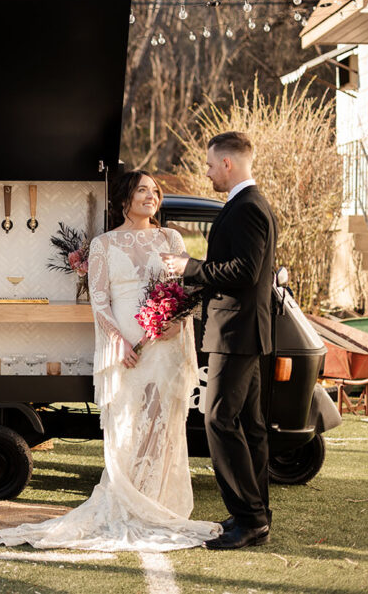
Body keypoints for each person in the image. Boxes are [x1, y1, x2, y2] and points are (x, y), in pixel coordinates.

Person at [0, 171, 220, 552]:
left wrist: (179, 321)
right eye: (142, 190)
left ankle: (155, 504)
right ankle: (128, 500)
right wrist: (118, 343)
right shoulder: (105, 245)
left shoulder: (171, 239)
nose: (151, 196)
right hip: (126, 349)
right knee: (128, 426)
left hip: (165, 347)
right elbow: (100, 301)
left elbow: (185, 288)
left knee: (162, 426)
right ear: (125, 198)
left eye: (155, 191)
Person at [161, 131, 278, 550]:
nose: (207, 172)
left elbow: (244, 271)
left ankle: (250, 520)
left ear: (228, 163)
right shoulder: (248, 204)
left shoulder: (247, 208)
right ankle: (254, 512)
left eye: (210, 165)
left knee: (217, 419)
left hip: (236, 332)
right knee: (250, 425)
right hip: (244, 329)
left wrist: (188, 267)